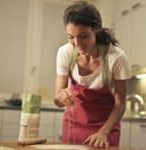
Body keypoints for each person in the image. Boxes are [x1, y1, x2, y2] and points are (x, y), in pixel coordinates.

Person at [54, 0, 131, 148]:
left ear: (96, 29)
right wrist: (61, 97)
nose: (77, 44)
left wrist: (104, 132)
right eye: (71, 37)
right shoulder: (65, 53)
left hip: (105, 129)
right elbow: (57, 100)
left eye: (83, 36)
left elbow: (120, 104)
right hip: (73, 127)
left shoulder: (116, 58)